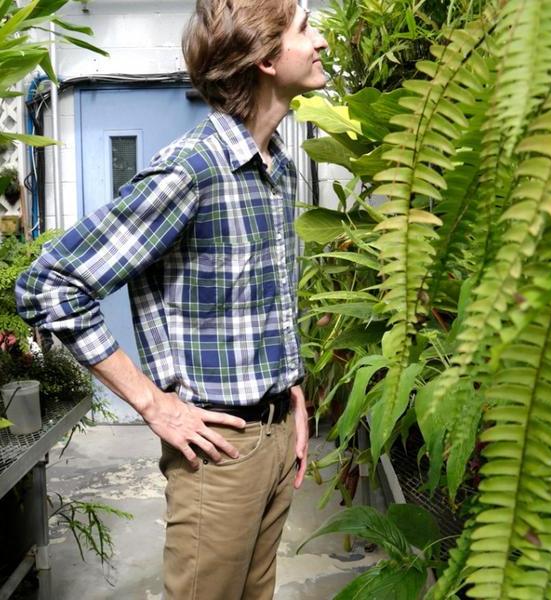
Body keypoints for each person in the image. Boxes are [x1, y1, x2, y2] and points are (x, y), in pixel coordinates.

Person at [15, 1, 328, 598]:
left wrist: (291, 390)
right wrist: (154, 404)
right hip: (218, 450)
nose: (321, 42)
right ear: (265, 58)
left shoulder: (277, 168)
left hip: (277, 436)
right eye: (305, 29)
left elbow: (258, 303)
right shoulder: (191, 171)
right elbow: (49, 283)